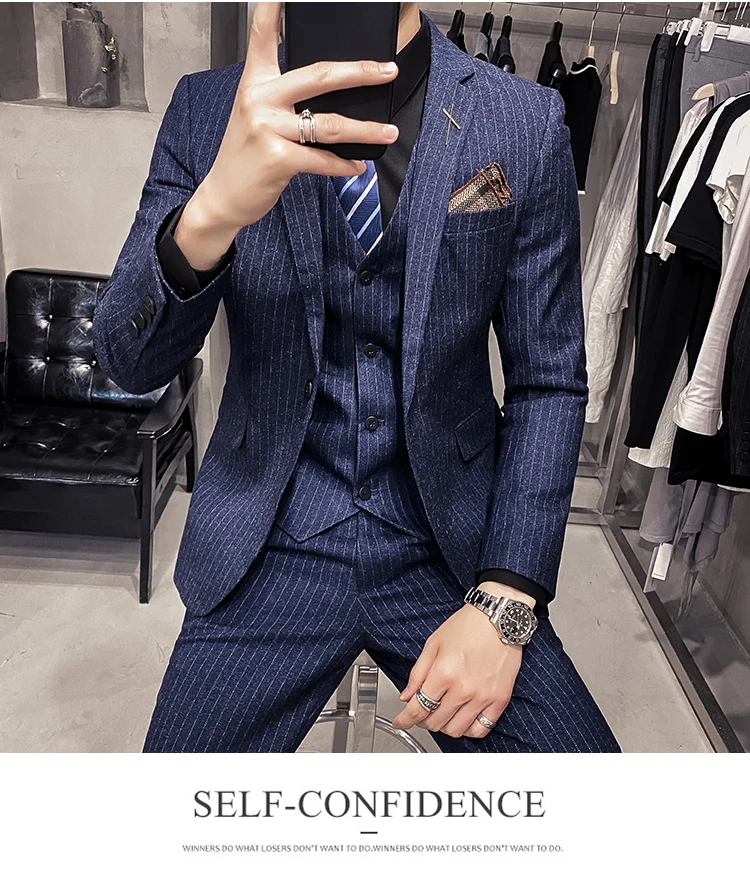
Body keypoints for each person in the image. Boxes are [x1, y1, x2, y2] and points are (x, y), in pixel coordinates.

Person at [93, 2, 621, 753]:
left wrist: (508, 596)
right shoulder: (207, 111)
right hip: (267, 538)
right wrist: (209, 216)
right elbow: (128, 360)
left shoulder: (521, 121)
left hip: (454, 549)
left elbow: (549, 381)